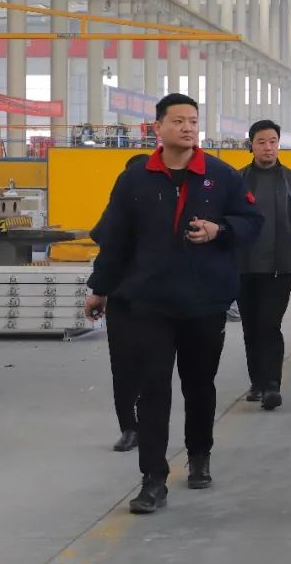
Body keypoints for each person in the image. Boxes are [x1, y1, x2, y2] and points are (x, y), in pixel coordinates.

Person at [86, 93, 263, 515]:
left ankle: (199, 455)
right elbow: (115, 241)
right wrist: (100, 287)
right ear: (158, 127)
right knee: (152, 391)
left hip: (204, 302)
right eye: (178, 120)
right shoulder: (135, 179)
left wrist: (219, 229)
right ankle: (153, 479)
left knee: (199, 385)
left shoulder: (221, 175)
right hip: (149, 303)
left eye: (193, 121)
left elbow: (253, 222)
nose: (187, 127)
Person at [237, 119, 291, 411]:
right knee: (250, 327)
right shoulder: (238, 179)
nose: (268, 147)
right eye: (261, 142)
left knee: (270, 325)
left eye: (273, 141)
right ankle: (256, 382)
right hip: (244, 267)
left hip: (279, 267)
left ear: (279, 144)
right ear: (251, 146)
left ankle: (272, 385)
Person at [90, 152, 150, 453]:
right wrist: (99, 291)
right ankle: (129, 427)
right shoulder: (116, 212)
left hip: (158, 301)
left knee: (151, 367)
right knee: (124, 366)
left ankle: (145, 426)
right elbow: (106, 250)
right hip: (123, 299)